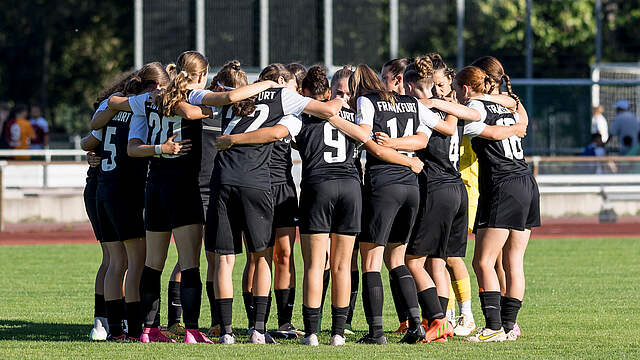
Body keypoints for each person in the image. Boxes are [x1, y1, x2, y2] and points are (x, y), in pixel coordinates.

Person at [109, 50, 275, 344]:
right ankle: (192, 329)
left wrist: (159, 148)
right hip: (182, 187)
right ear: (200, 75)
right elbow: (226, 100)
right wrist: (266, 85)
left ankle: (149, 330)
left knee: (153, 264)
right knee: (190, 264)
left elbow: (120, 118)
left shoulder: (150, 98)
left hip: (155, 186)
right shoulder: (192, 96)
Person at [207, 63, 343, 345]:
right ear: (281, 81)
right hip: (257, 182)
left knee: (267, 255)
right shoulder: (284, 99)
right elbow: (315, 115)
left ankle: (270, 323)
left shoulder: (240, 97)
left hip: (269, 184)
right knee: (259, 256)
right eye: (292, 83)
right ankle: (253, 326)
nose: (295, 88)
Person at [453, 66, 540, 342]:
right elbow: (521, 116)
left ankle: (492, 327)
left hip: (503, 184)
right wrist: (514, 122)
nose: (455, 94)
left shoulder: (476, 106)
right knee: (513, 261)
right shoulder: (508, 106)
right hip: (526, 181)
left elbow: (486, 131)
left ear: (467, 88)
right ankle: (508, 326)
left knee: (483, 261)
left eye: (456, 88)